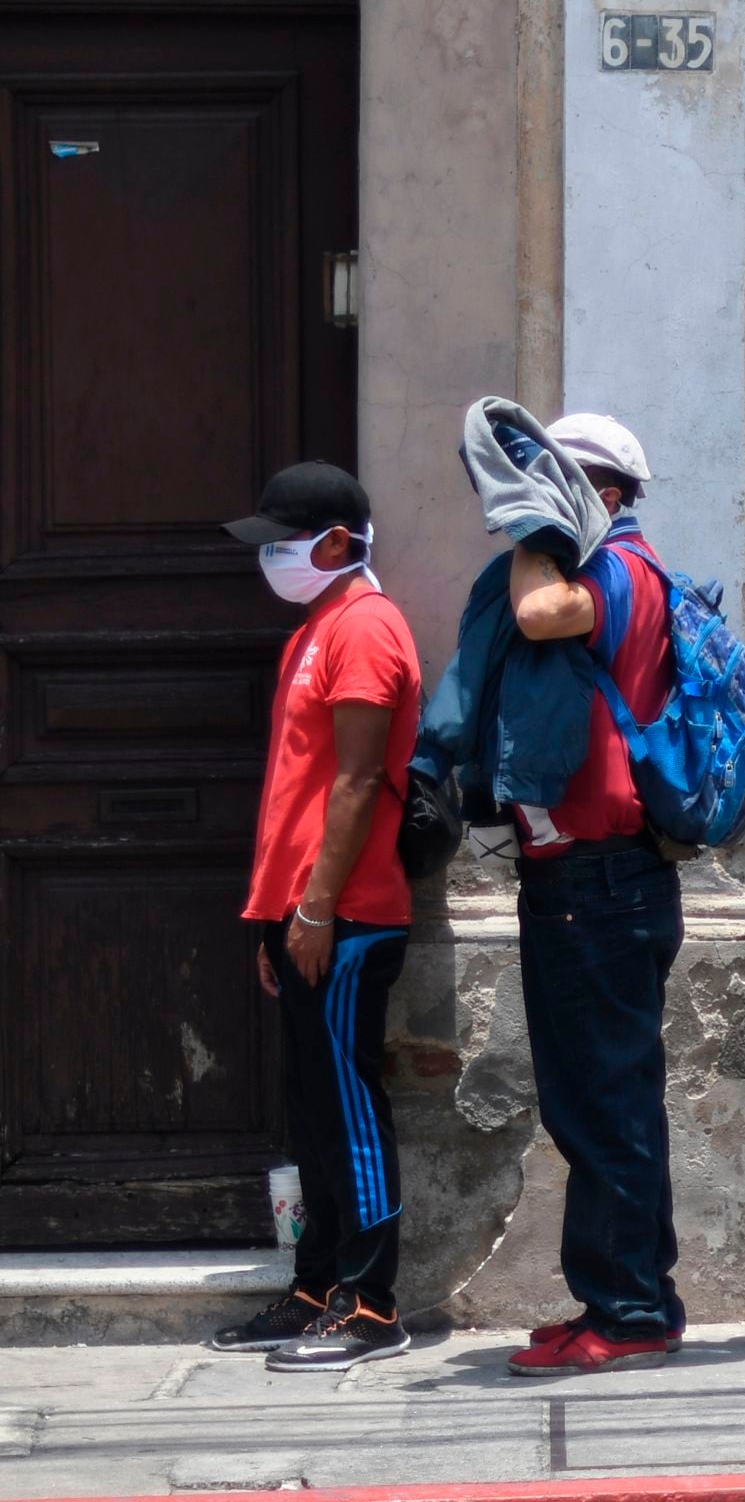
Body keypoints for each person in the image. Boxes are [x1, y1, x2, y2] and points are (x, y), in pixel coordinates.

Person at [209, 463, 424, 1373]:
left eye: (281, 543)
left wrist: (315, 908)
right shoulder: (315, 630)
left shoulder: (366, 627)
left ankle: (372, 1306)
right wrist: (276, 917)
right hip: (302, 914)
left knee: (349, 1110)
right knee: (312, 1110)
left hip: (346, 914)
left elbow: (359, 779)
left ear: (336, 542)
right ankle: (316, 1288)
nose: (270, 560)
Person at [502, 416, 690, 1376]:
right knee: (603, 1101)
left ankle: (628, 1312)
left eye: (553, 482)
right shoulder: (614, 568)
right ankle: (632, 1297)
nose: (533, 498)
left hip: (598, 879)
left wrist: (531, 531)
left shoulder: (614, 570)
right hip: (594, 878)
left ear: (602, 494)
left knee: (604, 1104)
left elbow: (537, 614)